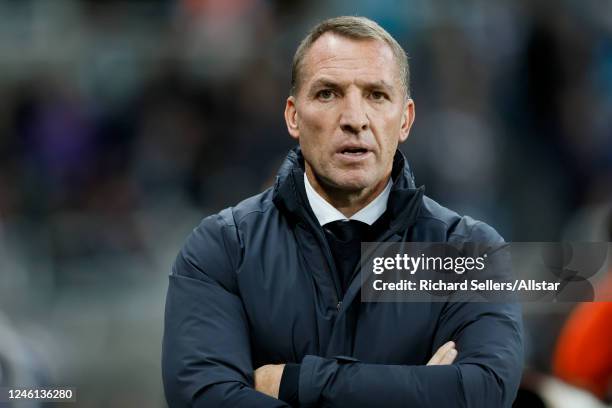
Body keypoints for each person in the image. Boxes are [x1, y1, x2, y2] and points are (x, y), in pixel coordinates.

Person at [162, 16, 523, 407]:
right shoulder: (223, 249)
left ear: (405, 119)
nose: (354, 119)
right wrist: (417, 392)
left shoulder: (469, 254)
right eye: (328, 94)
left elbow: (484, 391)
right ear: (293, 116)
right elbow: (202, 398)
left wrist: (294, 382)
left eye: (376, 95)